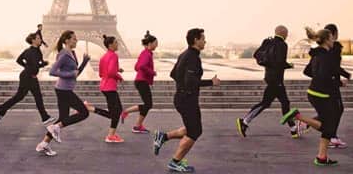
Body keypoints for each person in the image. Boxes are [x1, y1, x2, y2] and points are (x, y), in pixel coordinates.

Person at [152, 28, 220, 173]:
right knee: (195, 131)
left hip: (183, 97)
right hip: (187, 100)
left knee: (191, 128)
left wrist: (182, 86)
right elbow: (190, 81)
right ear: (196, 40)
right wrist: (210, 83)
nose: (205, 41)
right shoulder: (193, 57)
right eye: (203, 38)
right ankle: (175, 162)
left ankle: (163, 136)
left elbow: (173, 74)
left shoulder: (185, 54)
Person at [280, 27, 343, 167]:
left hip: (315, 92)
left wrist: (321, 79)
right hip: (322, 94)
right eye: (332, 38)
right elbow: (324, 76)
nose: (334, 41)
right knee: (329, 126)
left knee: (328, 126)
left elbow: (308, 71)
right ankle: (298, 117)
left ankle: (322, 157)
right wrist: (338, 82)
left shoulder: (317, 54)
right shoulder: (326, 56)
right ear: (327, 40)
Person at [236, 25, 302, 138]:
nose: (287, 35)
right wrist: (289, 65)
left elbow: (256, 55)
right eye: (286, 33)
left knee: (277, 103)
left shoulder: (268, 42)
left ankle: (293, 129)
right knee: (272, 103)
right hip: (276, 80)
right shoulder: (282, 45)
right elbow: (280, 62)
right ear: (283, 33)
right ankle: (245, 121)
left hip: (270, 77)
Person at [34, 30, 91, 157]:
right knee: (84, 112)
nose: (76, 41)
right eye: (74, 39)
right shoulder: (64, 54)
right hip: (63, 90)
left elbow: (75, 74)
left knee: (63, 119)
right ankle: (55, 128)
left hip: (65, 89)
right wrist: (70, 74)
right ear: (66, 40)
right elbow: (52, 71)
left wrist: (84, 62)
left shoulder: (72, 53)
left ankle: (44, 144)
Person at [0, 29, 55, 125]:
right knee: (35, 97)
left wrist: (29, 67)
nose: (40, 40)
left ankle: (1, 109)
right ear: (33, 40)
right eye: (39, 38)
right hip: (28, 77)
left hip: (28, 75)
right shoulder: (32, 51)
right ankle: (45, 117)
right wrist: (42, 64)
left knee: (21, 96)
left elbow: (20, 60)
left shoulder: (34, 51)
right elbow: (34, 64)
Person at [120, 31, 158, 134]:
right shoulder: (146, 54)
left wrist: (146, 73)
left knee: (147, 104)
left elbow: (136, 67)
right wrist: (152, 72)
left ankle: (137, 126)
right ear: (150, 43)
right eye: (155, 42)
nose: (157, 44)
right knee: (148, 104)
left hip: (141, 81)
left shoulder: (144, 53)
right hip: (142, 81)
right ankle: (127, 113)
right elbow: (140, 66)